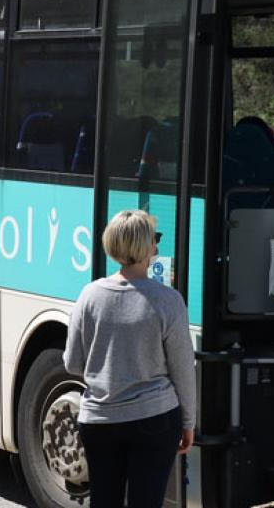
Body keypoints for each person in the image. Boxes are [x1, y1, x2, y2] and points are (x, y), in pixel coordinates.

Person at [65, 210, 198, 508]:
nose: (157, 245)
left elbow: (72, 363)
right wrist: (188, 422)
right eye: (155, 238)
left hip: (99, 419)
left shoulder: (89, 295)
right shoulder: (167, 300)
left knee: (104, 500)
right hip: (154, 418)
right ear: (147, 247)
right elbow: (182, 369)